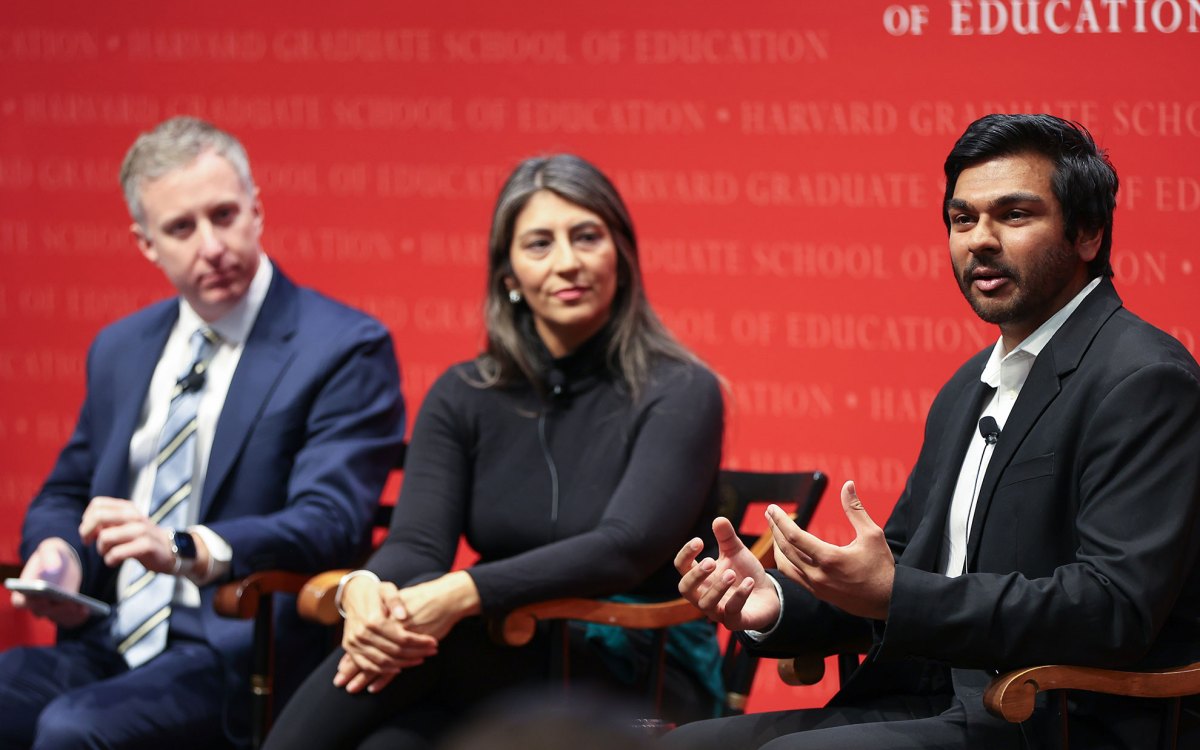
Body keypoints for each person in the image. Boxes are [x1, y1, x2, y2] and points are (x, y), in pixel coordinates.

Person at [668, 113, 1200, 749]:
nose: (979, 240)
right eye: (962, 218)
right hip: (934, 696)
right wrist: (777, 605)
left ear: (1087, 233)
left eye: (1015, 215)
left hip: (1057, 717)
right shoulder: (968, 385)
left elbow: (1112, 606)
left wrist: (897, 593)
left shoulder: (1144, 379)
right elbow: (904, 572)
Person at [263, 154, 726, 750]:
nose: (567, 262)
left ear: (621, 255)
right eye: (539, 244)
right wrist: (364, 590)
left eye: (586, 237)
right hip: (499, 661)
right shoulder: (465, 394)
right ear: (508, 275)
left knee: (438, 638)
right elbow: (416, 544)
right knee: (392, 743)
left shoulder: (682, 389)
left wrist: (460, 593)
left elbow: (625, 547)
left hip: (642, 682)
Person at [0, 116, 407, 749]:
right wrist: (59, 562)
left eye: (224, 215)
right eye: (182, 229)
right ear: (146, 243)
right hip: (104, 634)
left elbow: (330, 519)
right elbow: (65, 492)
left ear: (256, 211)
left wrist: (184, 548)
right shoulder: (122, 347)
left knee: (72, 731)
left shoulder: (343, 348)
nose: (211, 246)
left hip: (232, 647)